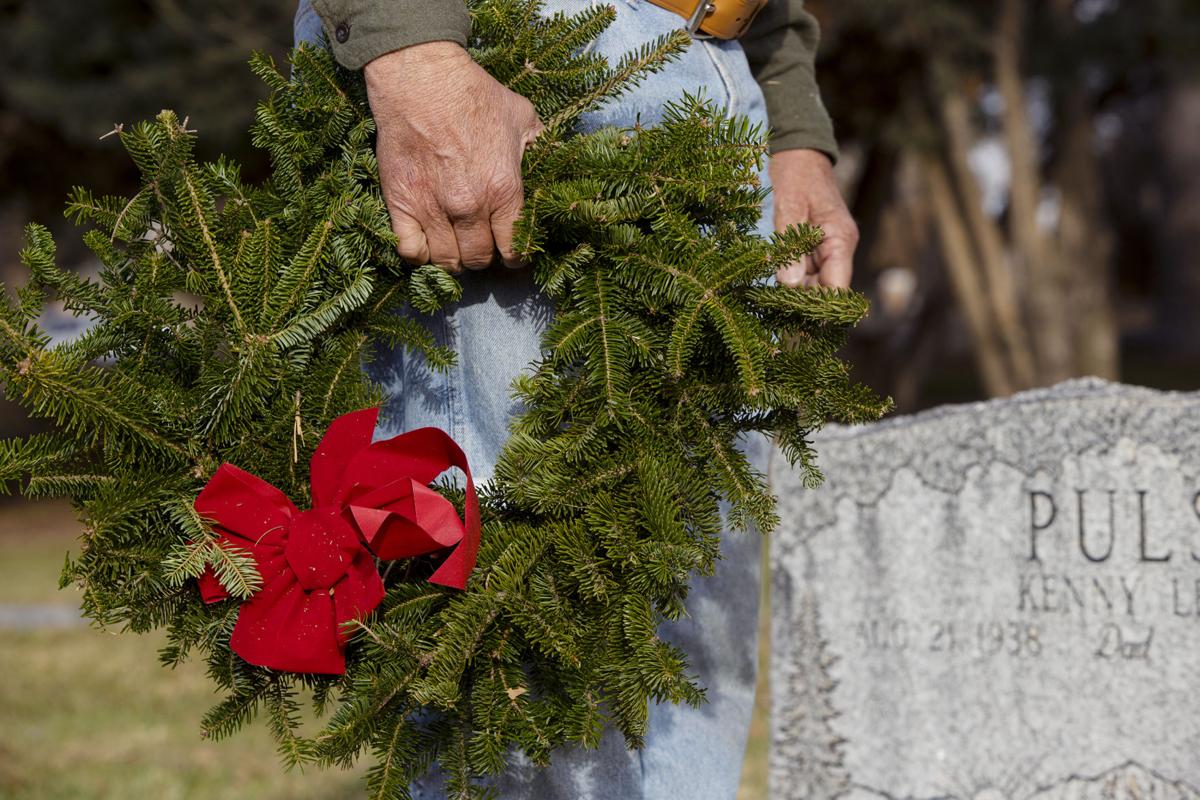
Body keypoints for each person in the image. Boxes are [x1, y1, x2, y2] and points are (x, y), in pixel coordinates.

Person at [293, 1, 857, 797]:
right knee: (519, 666)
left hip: (723, 80)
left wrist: (792, 126)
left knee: (687, 663)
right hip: (506, 68)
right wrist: (412, 51)